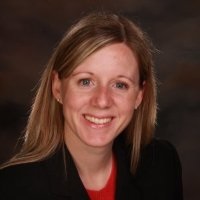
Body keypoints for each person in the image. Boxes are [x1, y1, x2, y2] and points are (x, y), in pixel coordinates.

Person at [0, 12, 183, 200]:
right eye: (86, 81)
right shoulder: (12, 189)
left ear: (139, 95)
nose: (102, 101)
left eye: (120, 85)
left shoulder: (161, 164)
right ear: (57, 87)